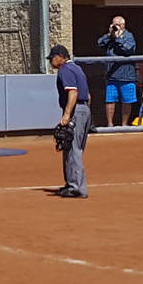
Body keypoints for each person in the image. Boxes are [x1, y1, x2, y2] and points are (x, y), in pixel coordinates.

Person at [48, 45, 89, 198]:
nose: (51, 61)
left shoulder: (65, 69)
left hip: (76, 110)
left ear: (60, 56)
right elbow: (88, 95)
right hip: (83, 110)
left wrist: (66, 115)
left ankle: (77, 187)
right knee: (71, 148)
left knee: (73, 149)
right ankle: (71, 184)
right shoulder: (77, 68)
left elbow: (73, 92)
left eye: (52, 58)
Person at [96, 15, 137, 126]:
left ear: (123, 25)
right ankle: (110, 124)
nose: (116, 27)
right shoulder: (110, 37)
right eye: (114, 24)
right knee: (110, 100)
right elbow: (99, 43)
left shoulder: (129, 36)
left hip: (127, 76)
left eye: (118, 25)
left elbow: (127, 49)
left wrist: (118, 38)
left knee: (127, 101)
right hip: (111, 76)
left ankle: (124, 125)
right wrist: (110, 35)